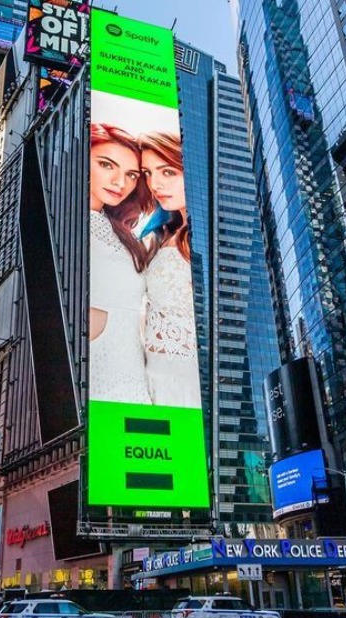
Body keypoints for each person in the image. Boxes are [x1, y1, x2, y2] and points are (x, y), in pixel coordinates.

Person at [87, 123, 154, 404]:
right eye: (106, 164)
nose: (119, 182)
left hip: (132, 364)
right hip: (94, 360)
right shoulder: (61, 215)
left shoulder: (121, 233)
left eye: (131, 175)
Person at [139, 131, 201, 409]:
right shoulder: (160, 232)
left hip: (189, 383)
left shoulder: (206, 233)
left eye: (167, 171)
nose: (155, 184)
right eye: (148, 173)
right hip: (151, 379)